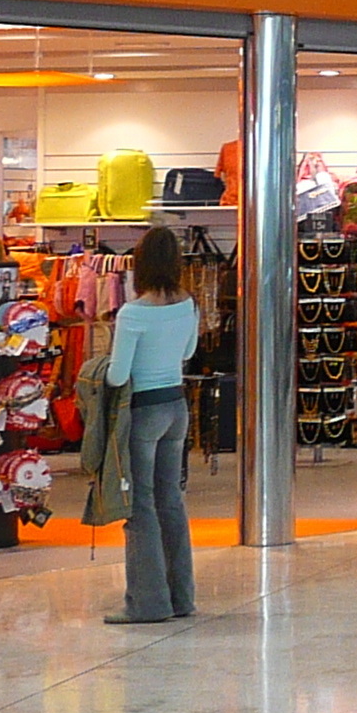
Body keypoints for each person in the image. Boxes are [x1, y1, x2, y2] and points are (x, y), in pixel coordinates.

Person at [104, 223, 200, 625]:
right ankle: (181, 597)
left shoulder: (132, 312)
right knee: (170, 502)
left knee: (140, 506)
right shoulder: (188, 304)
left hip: (143, 410)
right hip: (177, 406)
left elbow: (116, 374)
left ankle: (147, 602)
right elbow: (190, 351)